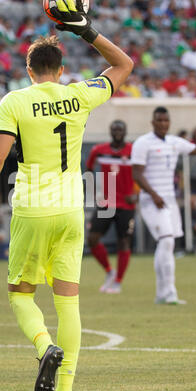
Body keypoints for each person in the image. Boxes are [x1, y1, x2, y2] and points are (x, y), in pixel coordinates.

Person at [0, 0, 133, 391]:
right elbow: (124, 65)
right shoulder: (79, 95)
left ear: (28, 70)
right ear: (61, 70)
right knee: (68, 299)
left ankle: (44, 348)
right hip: (71, 210)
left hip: (31, 209)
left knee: (20, 294)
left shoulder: (15, 101)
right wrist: (85, 30)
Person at [131, 106, 196, 305]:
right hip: (152, 201)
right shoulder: (143, 143)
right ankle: (168, 293)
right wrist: (154, 194)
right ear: (153, 122)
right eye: (159, 120)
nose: (163, 124)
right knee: (166, 240)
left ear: (169, 122)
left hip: (169, 202)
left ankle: (163, 294)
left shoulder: (175, 142)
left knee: (168, 243)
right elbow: (137, 174)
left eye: (166, 120)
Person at [86, 120, 138, 294]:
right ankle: (109, 271)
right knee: (92, 239)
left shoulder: (133, 151)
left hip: (126, 204)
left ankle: (118, 281)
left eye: (120, 129)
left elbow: (143, 172)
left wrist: (137, 193)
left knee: (123, 242)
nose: (117, 132)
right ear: (110, 131)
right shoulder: (99, 150)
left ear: (125, 132)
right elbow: (88, 168)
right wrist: (94, 190)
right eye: (115, 129)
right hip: (106, 203)